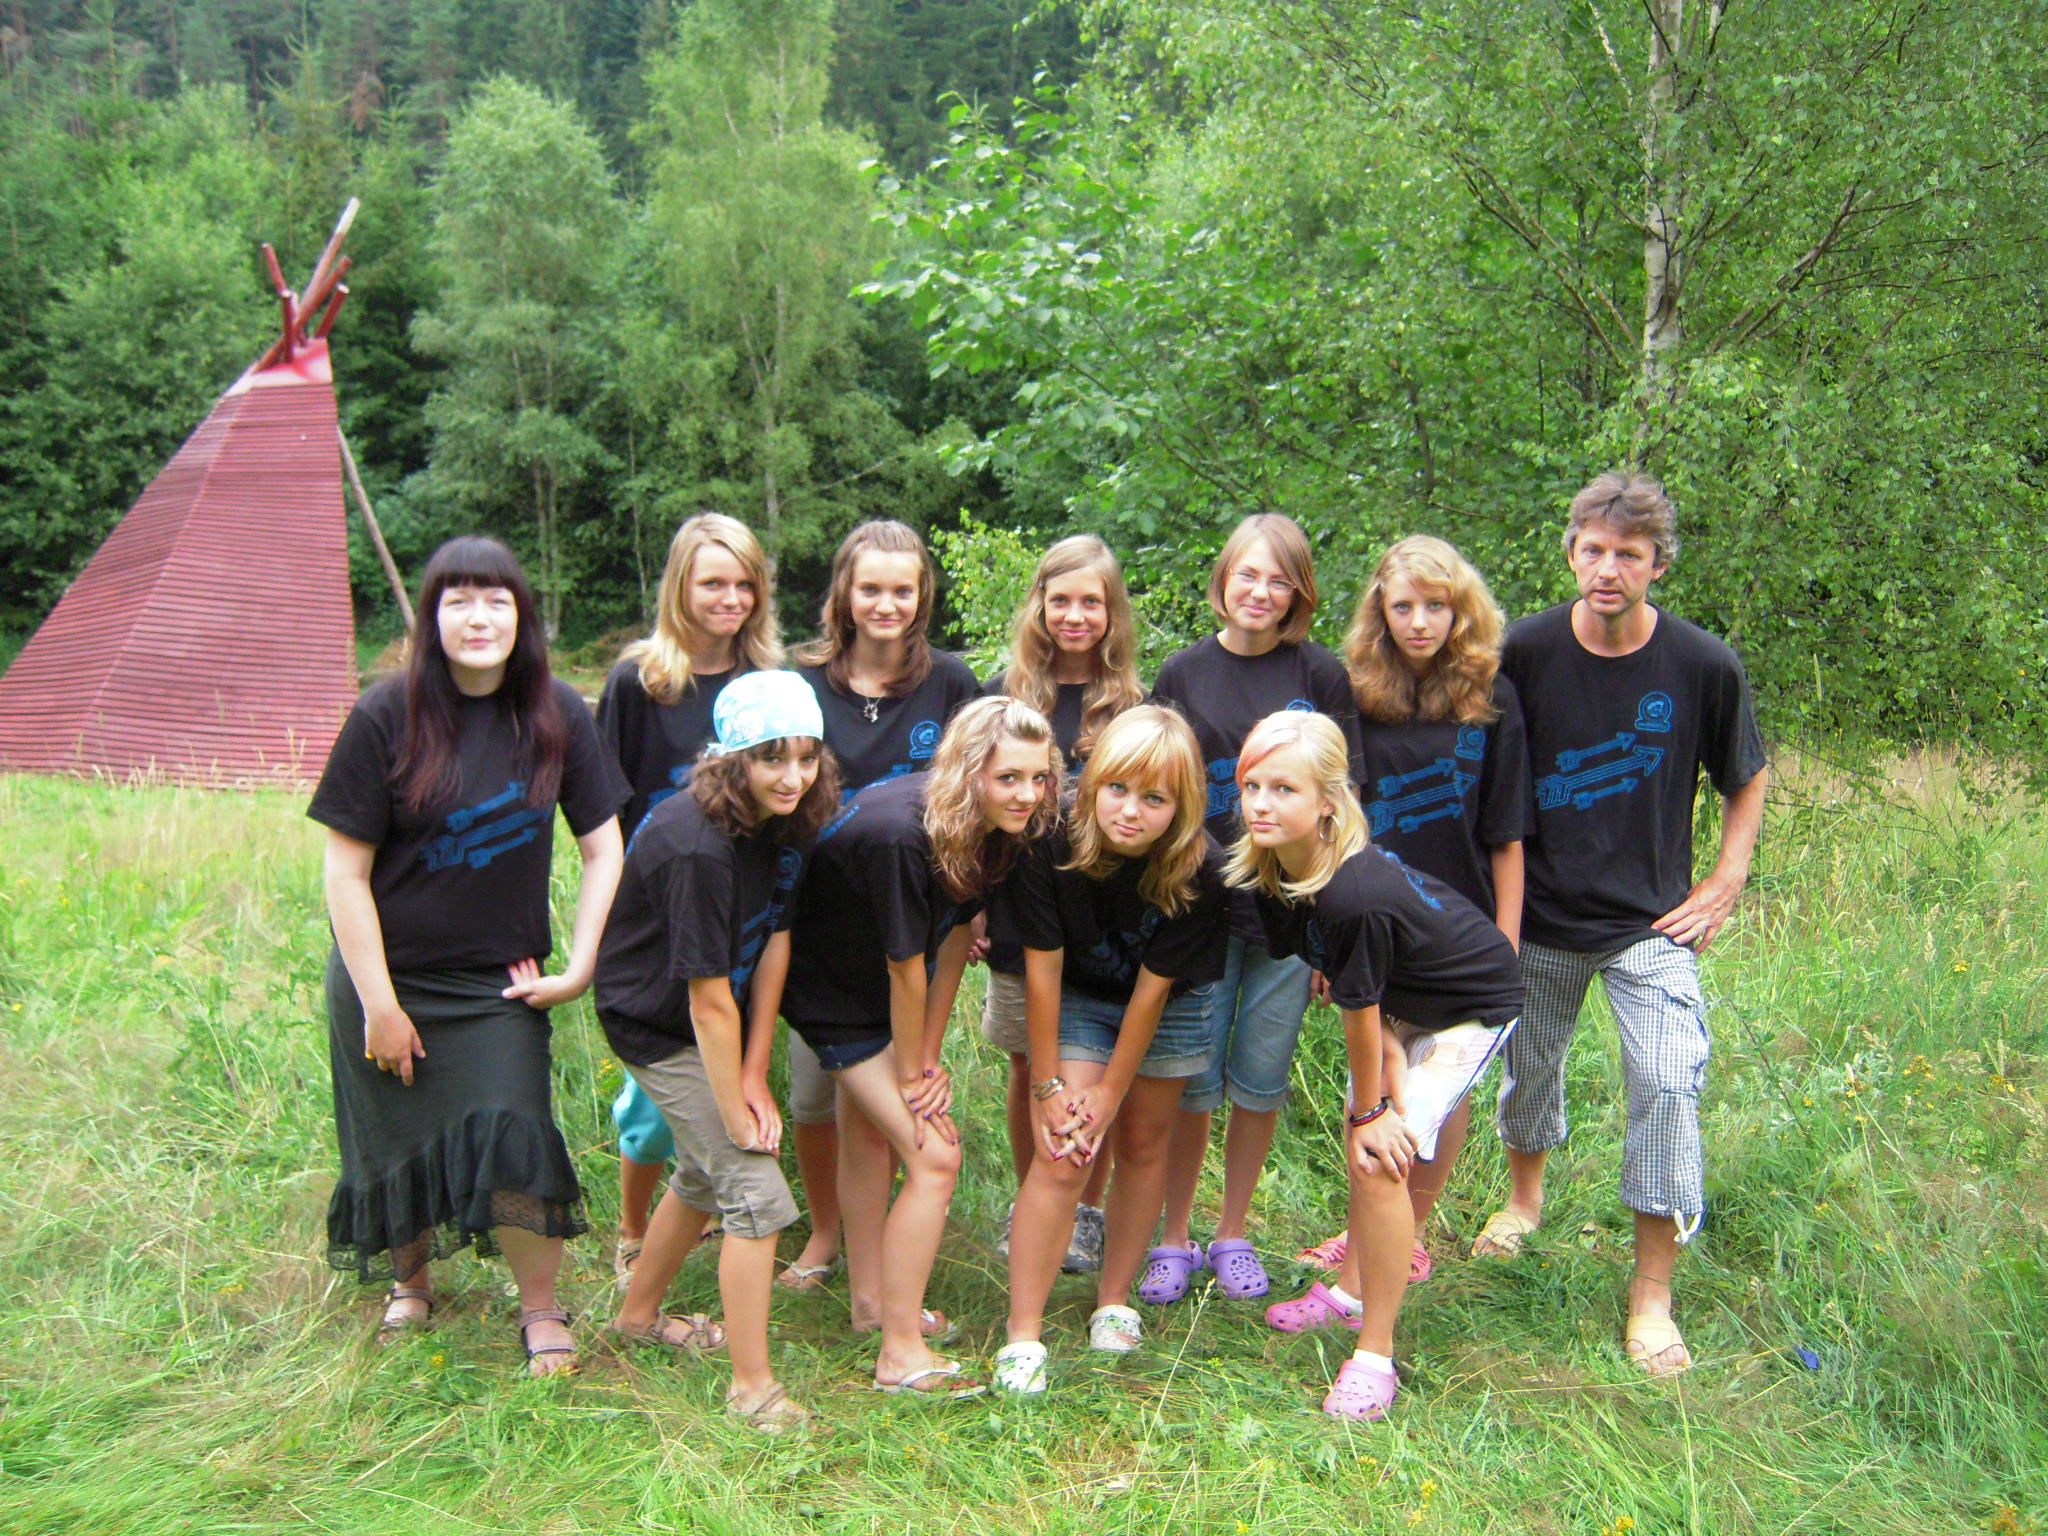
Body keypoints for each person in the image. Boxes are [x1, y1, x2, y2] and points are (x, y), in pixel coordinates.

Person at [309, 535, 626, 1375]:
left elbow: (605, 848)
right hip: (387, 978)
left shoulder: (558, 713)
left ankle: (540, 1307)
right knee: (395, 1138)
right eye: (458, 601)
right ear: (432, 617)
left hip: (497, 986)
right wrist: (380, 1004)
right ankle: (409, 1283)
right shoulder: (386, 715)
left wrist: (581, 965)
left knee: (516, 1130)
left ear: (522, 616)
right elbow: (344, 873)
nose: (477, 618)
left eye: (495, 600)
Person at [1481, 471, 1767, 1377]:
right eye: (1594, 551)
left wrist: (1726, 878)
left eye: (1630, 555)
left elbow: (1746, 773)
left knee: (1670, 1080)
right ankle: (1524, 1202)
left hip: (1653, 924)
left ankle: (1651, 1297)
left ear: (1659, 565)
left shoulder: (1702, 664)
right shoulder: (1524, 651)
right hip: (1541, 914)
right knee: (1529, 1067)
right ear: (1570, 552)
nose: (1609, 570)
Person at [1230, 712, 1522, 1421]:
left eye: (1284, 789)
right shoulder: (1273, 870)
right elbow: (1352, 987)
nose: (1262, 804)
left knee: (1377, 1154)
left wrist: (1374, 1108)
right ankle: (1352, 1291)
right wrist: (1385, 1059)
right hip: (1404, 999)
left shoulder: (1350, 891)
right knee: (1372, 1131)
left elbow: (1360, 1006)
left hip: (1471, 1004)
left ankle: (1375, 1357)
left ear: (1329, 801)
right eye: (1251, 786)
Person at [783, 695, 1059, 1394]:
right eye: (1008, 777)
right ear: (969, 772)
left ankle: (872, 1306)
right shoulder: (902, 836)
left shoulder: (996, 825)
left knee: (866, 1132)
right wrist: (911, 1077)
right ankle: (900, 1353)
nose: (1028, 795)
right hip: (830, 993)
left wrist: (927, 1055)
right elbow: (906, 968)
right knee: (935, 1155)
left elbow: (958, 934)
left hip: (875, 987)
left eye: (1038, 777)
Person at [592, 670, 840, 1432]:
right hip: (656, 1022)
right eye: (772, 758)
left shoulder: (786, 819)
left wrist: (755, 1072)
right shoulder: (697, 847)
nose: (793, 776)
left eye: (806, 757)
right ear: (733, 760)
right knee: (755, 1193)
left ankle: (637, 1319)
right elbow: (704, 1000)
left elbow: (774, 941)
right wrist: (735, 1113)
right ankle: (752, 1388)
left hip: (713, 1016)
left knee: (704, 1173)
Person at [1296, 535, 1532, 1284]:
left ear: (1461, 611)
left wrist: (1507, 941)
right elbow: (1336, 819)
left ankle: (1413, 1233)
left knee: (1437, 1088)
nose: (1420, 622)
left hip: (1459, 926)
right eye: (1403, 607)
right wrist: (1326, 944)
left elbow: (1507, 833)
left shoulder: (1491, 696)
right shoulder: (1355, 694)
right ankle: (1365, 1229)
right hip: (1372, 915)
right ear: (1381, 612)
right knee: (1372, 1080)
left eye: (1436, 606)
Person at [1145, 513, 1362, 1305]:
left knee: (1260, 1079)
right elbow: (1157, 784)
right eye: (1248, 574)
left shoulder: (1321, 674)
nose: (1261, 592)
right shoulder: (1182, 672)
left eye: (1279, 580)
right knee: (1190, 1079)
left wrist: (1333, 931)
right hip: (1196, 908)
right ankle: (1174, 1236)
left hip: (1289, 917)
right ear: (1223, 579)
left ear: (1299, 592)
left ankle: (1232, 1231)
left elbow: (1345, 803)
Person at [992, 706, 1229, 1393]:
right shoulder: (1047, 841)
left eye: (1155, 799)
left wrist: (1110, 1091)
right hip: (1077, 993)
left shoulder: (1205, 870)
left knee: (1145, 1142)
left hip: (1171, 1004)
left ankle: (1114, 1300)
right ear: (1091, 783)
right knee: (1065, 1147)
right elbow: (1041, 972)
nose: (1130, 812)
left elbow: (1153, 993)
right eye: (1117, 789)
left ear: (1182, 807)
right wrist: (1050, 1087)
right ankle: (1023, 1333)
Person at [780, 519, 983, 1294]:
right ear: (844, 592)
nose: (886, 605)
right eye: (871, 588)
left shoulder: (952, 683)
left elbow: (973, 795)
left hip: (913, 919)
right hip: (816, 922)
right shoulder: (800, 682)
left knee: (890, 1093)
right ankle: (825, 1234)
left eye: (903, 590)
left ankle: (881, 1255)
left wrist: (975, 907)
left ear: (922, 595)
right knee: (815, 1093)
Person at [597, 512, 782, 1290]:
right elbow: (605, 803)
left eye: (744, 584)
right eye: (713, 583)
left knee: (723, 1058)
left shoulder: (769, 681)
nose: (730, 599)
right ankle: (632, 1230)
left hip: (740, 904)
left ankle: (700, 1210)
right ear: (681, 586)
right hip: (660, 902)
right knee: (652, 1101)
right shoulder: (641, 681)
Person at [979, 535, 1145, 1273]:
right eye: (1061, 601)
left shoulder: (1133, 704)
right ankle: (1035, 1200)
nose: (1075, 616)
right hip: (1018, 908)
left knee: (1092, 1064)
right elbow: (971, 807)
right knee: (1029, 1062)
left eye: (1091, 603)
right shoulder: (1001, 694)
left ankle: (1085, 1209)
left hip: (1105, 919)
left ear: (1112, 613)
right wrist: (974, 907)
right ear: (1039, 606)